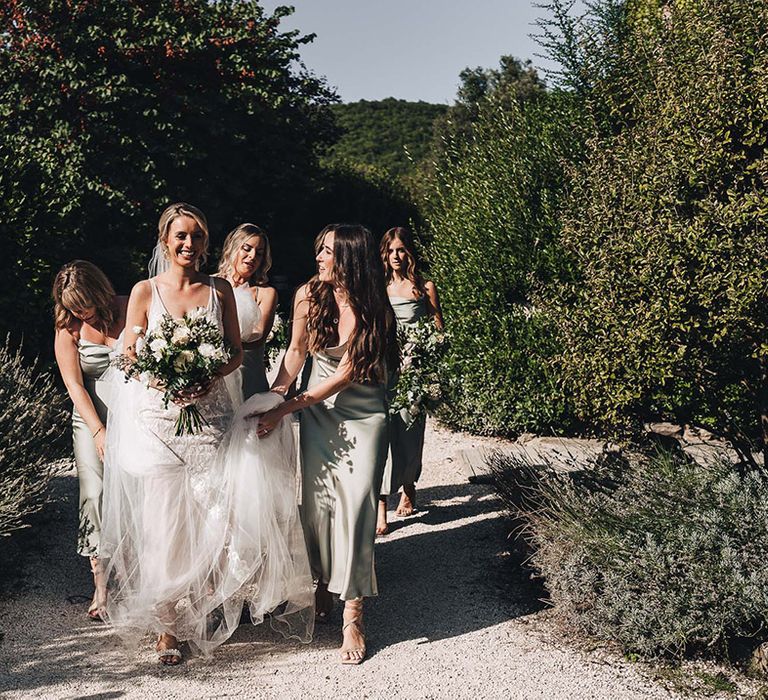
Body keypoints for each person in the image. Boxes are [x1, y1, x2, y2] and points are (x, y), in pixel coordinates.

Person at [100, 203, 313, 665]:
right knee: (164, 527)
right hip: (159, 427)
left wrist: (209, 375)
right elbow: (129, 355)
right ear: (164, 241)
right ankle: (167, 628)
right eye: (180, 236)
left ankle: (203, 608)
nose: (189, 245)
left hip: (211, 424)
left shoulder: (218, 291)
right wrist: (161, 379)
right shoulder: (144, 292)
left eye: (196, 237)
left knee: (212, 520)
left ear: (205, 243)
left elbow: (236, 353)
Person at [255, 223, 397, 665]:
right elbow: (296, 353)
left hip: (363, 414)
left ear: (350, 258)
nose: (319, 257)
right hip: (317, 415)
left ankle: (352, 613)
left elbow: (343, 375)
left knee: (356, 508)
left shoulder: (376, 305)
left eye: (329, 252)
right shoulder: (307, 295)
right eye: (318, 249)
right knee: (316, 507)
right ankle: (319, 584)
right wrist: (273, 395)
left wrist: (284, 410)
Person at [53, 261, 127, 621]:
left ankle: (138, 577)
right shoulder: (69, 325)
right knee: (94, 493)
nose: (79, 311)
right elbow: (74, 384)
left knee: (135, 492)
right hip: (90, 419)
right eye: (72, 305)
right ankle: (101, 584)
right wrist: (98, 430)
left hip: (133, 418)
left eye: (84, 303)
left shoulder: (129, 306)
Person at [376, 227, 443, 536]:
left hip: (414, 369)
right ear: (384, 255)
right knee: (380, 430)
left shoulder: (424, 287)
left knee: (408, 428)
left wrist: (425, 353)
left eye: (401, 250)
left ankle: (408, 485)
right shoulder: (377, 288)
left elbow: (438, 331)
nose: (396, 256)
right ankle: (380, 506)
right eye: (391, 251)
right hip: (384, 367)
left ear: (410, 253)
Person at [217, 224, 277, 403]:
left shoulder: (265, 293)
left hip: (249, 377)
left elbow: (257, 338)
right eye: (247, 248)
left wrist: (217, 341)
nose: (252, 256)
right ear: (233, 247)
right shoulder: (210, 285)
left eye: (259, 253)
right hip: (215, 378)